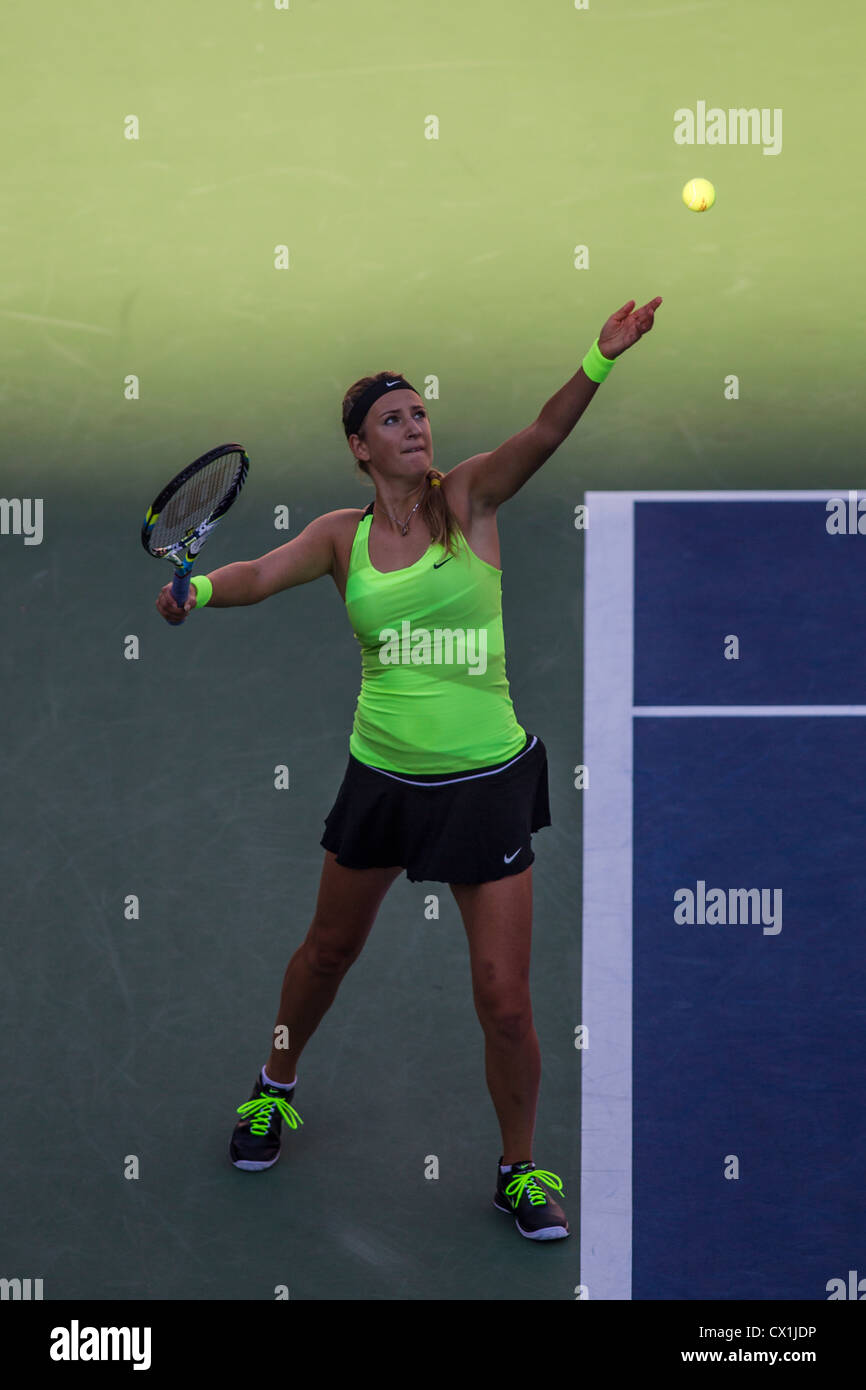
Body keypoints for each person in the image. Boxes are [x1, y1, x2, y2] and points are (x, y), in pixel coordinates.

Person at [156, 296, 662, 1241]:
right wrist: (197, 589)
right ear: (360, 447)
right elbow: (259, 575)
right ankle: (275, 1085)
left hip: (486, 785)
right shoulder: (341, 537)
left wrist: (599, 359)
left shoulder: (470, 497)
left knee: (504, 1000)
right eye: (393, 419)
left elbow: (545, 432)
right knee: (327, 954)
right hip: (383, 781)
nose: (415, 426)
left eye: (420, 412)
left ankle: (520, 1167)